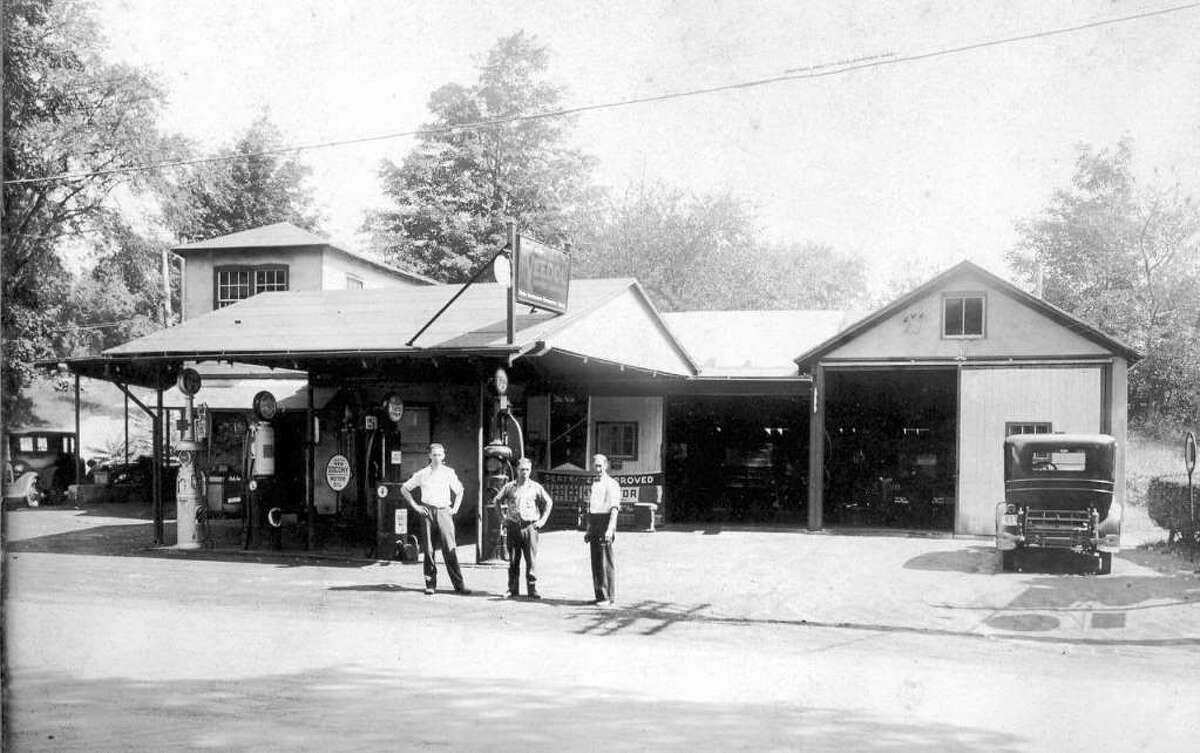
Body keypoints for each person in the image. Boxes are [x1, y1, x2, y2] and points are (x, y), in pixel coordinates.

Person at [400, 443, 471, 595]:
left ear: (444, 456)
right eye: (434, 455)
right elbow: (404, 488)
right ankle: (430, 584)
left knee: (449, 549)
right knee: (428, 549)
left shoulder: (448, 473)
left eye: (440, 455)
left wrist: (455, 509)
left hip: (444, 511)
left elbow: (460, 491)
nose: (437, 458)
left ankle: (459, 585)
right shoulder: (422, 473)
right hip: (427, 512)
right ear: (429, 456)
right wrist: (416, 506)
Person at [491, 457, 553, 598]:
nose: (524, 472)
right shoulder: (509, 487)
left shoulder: (536, 487)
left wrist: (542, 521)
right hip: (513, 526)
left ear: (530, 471)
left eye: (527, 469)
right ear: (517, 470)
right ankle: (512, 589)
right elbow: (497, 500)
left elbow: (548, 502)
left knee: (531, 559)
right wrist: (502, 519)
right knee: (513, 560)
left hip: (530, 527)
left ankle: (532, 590)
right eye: (521, 469)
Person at [585, 454, 621, 605]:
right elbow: (592, 509)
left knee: (605, 560)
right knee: (596, 561)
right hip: (595, 521)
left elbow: (614, 508)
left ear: (605, 466)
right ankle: (600, 594)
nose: (597, 469)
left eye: (600, 466)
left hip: (605, 521)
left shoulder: (611, 484)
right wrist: (588, 529)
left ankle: (608, 597)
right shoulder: (594, 484)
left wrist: (610, 529)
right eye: (595, 466)